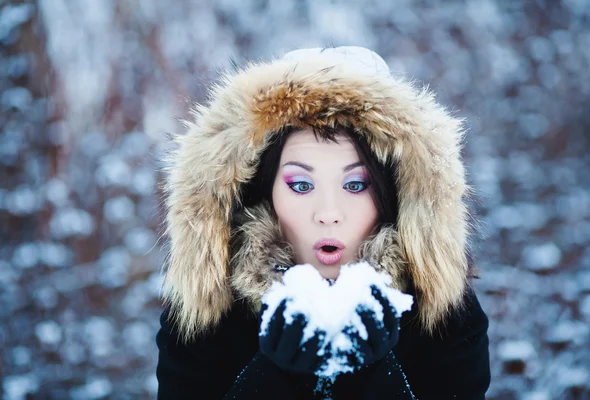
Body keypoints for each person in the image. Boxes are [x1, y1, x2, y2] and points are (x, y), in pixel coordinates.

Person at [155, 46, 490, 399]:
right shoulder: (203, 321)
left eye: (356, 184)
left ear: (396, 196)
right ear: (263, 194)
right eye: (301, 185)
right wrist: (272, 380)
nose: (328, 212)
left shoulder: (446, 320)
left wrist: (374, 377)